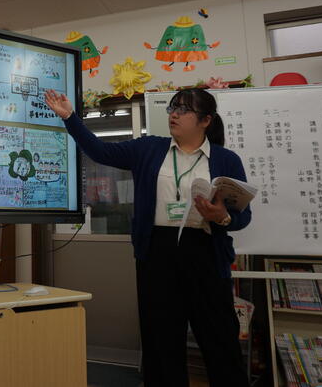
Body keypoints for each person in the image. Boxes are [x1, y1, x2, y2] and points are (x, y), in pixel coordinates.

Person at [45, 87, 251, 387]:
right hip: (157, 253)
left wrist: (221, 216)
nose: (174, 114)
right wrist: (70, 118)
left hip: (207, 253)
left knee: (220, 339)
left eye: (183, 110)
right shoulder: (150, 148)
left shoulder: (226, 160)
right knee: (161, 341)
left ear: (206, 120)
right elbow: (101, 152)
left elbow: (243, 217)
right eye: (172, 108)